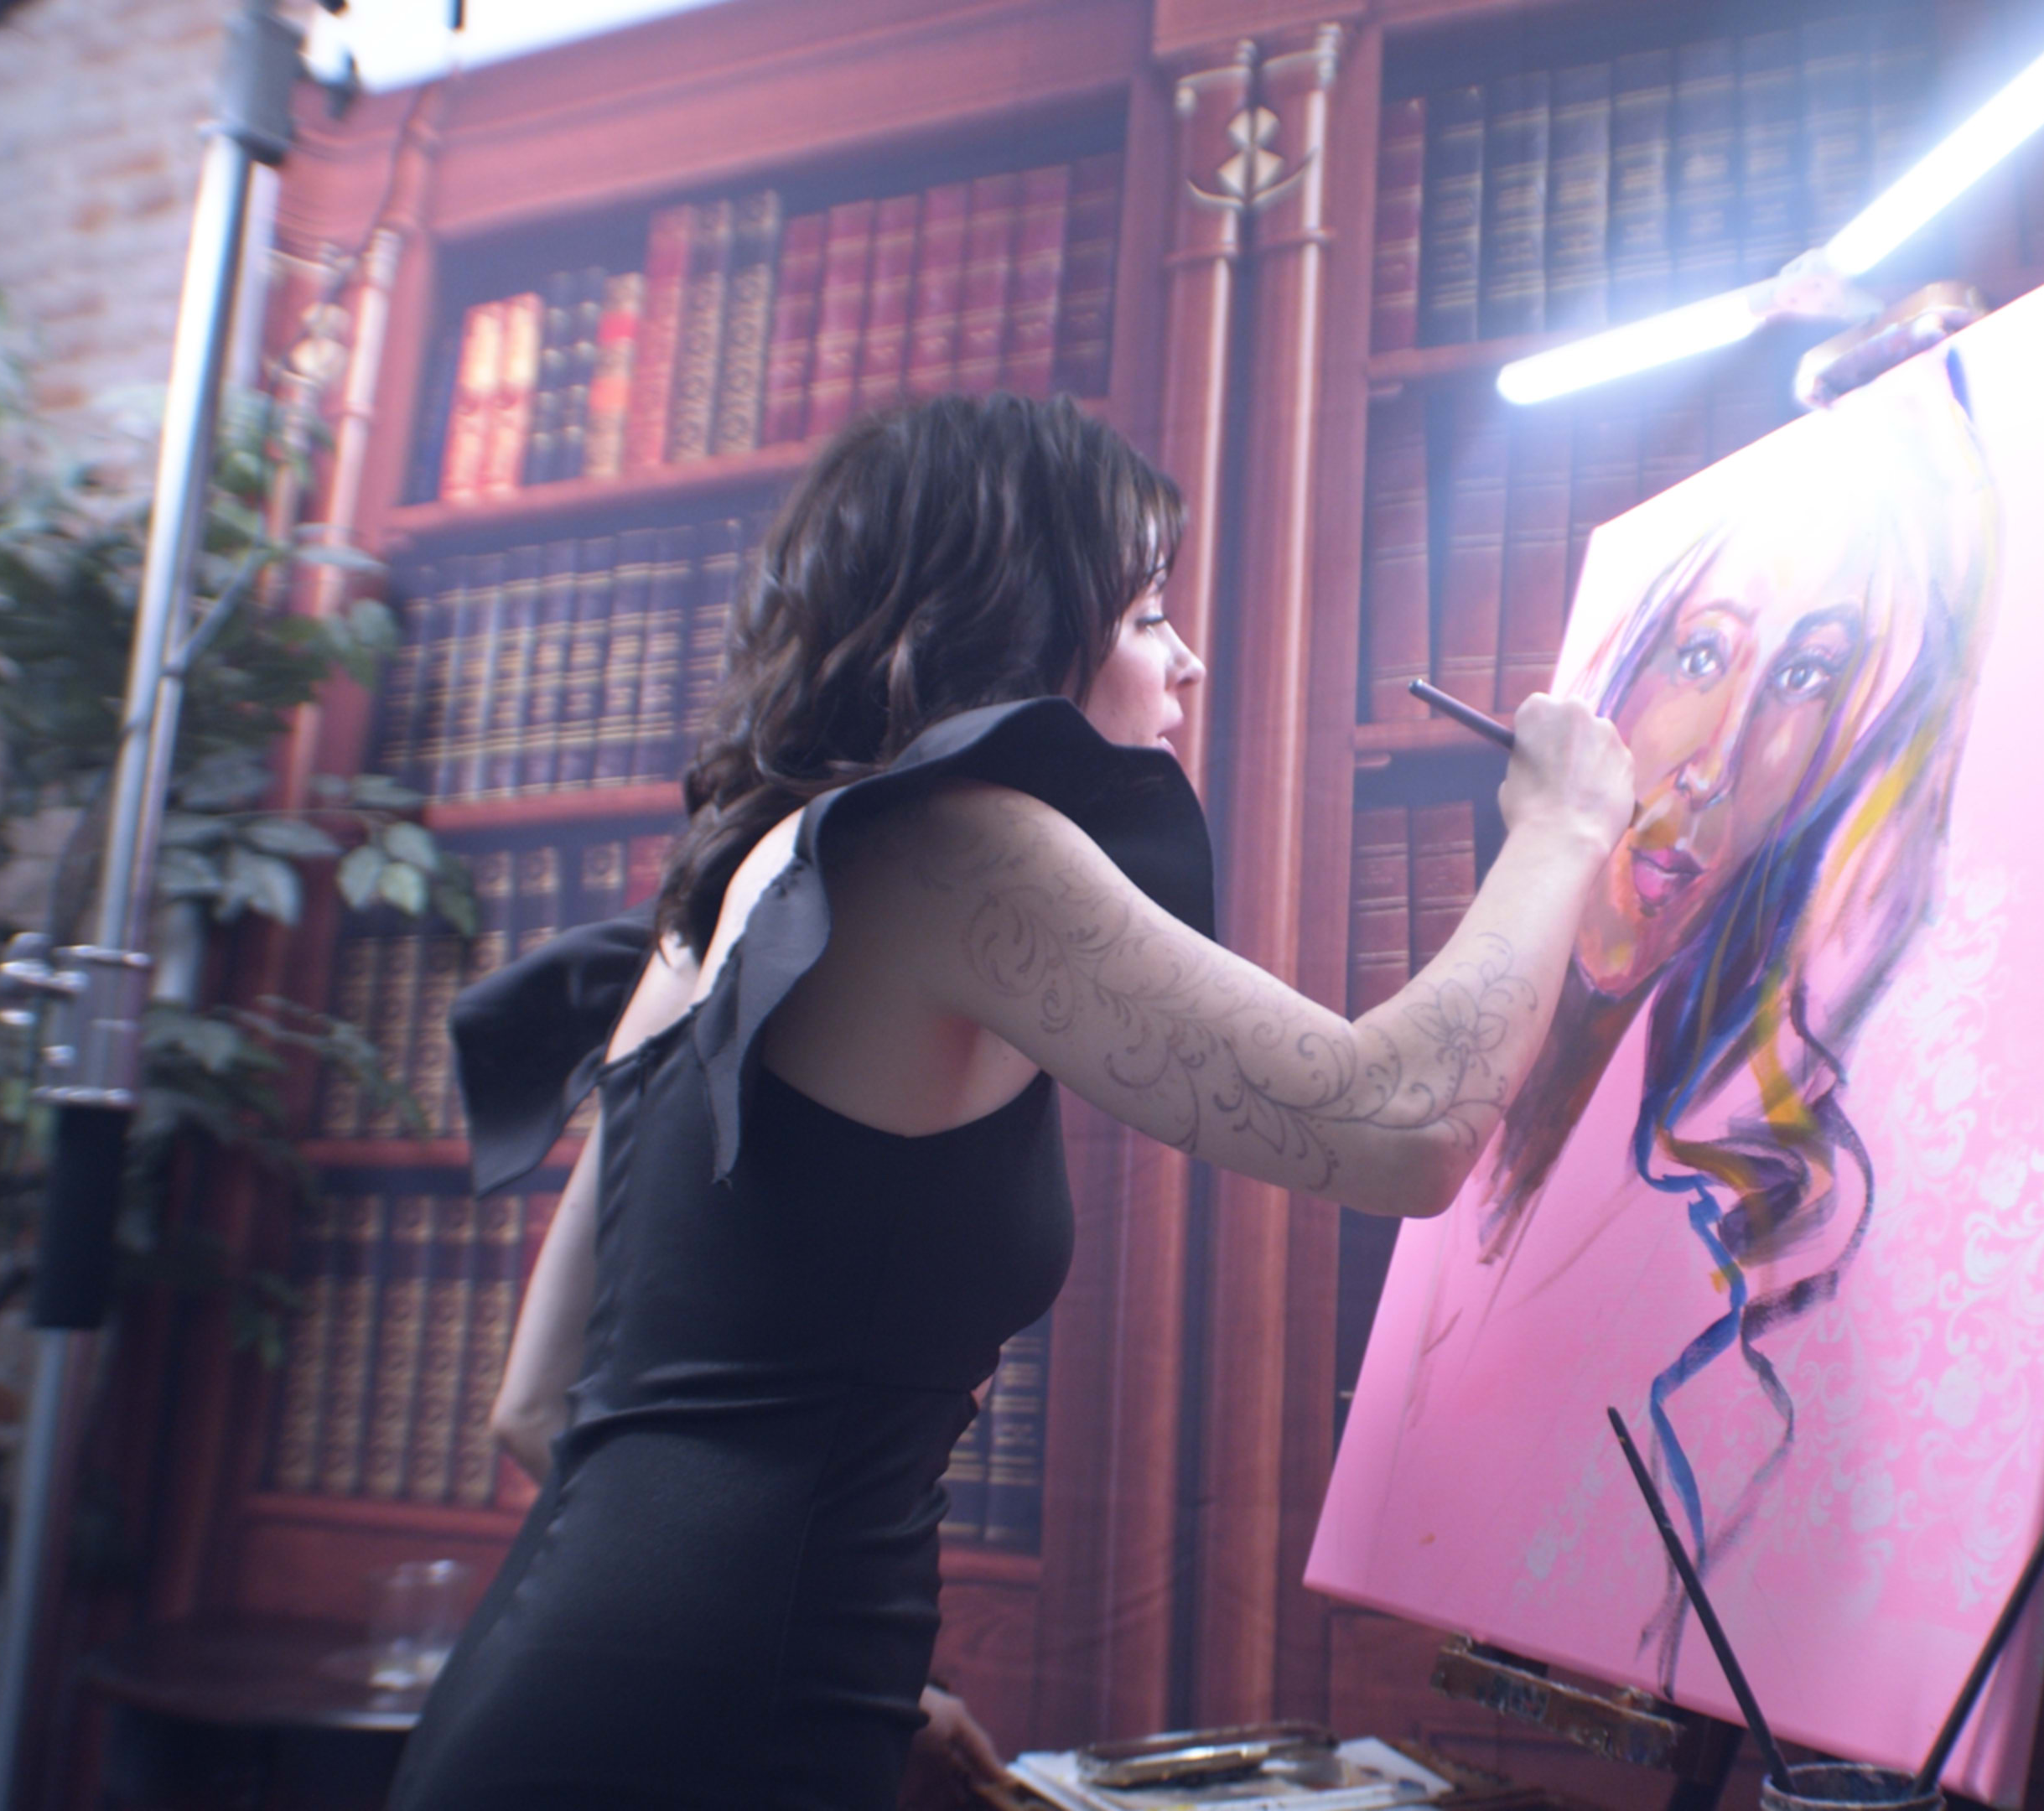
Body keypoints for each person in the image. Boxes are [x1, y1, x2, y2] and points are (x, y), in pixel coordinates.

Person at [388, 395, 1632, 1809]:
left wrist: (842, 1666)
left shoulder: (720, 895)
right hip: (709, 1729)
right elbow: (1398, 1124)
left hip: (557, 1689)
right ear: (1015, 625)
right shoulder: (947, 845)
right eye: (1146, 614)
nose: (1188, 658)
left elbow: (543, 1404)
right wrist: (1564, 829)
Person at [1423, 348, 1997, 1683]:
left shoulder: (1750, 1223)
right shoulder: (1507, 1115)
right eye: (1700, 656)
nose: (1715, 764)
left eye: (1806, 679)